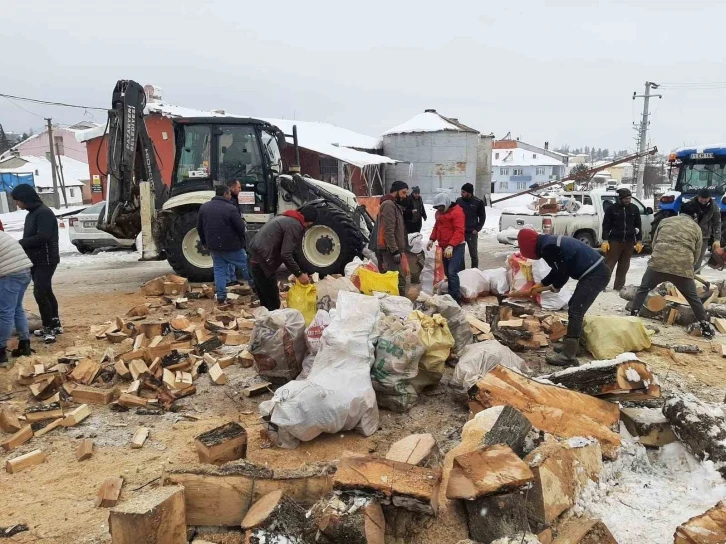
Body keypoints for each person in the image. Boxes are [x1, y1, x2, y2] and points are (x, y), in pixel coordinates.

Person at [517, 228, 611, 367]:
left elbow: (561, 272)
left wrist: (555, 286)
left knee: (576, 311)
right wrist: (541, 284)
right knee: (574, 306)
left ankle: (568, 355)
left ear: (528, 247)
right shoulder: (548, 243)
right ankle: (573, 346)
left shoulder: (548, 247)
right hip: (594, 272)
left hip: (596, 274)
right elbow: (558, 269)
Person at [630, 211, 714, 338]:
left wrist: (660, 256)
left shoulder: (665, 221)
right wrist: (688, 266)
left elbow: (654, 242)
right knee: (693, 299)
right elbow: (697, 253)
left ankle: (633, 316)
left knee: (643, 289)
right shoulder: (696, 227)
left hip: (658, 264)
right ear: (694, 217)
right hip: (682, 268)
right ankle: (705, 327)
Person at [10, 184, 61, 344]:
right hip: (36, 260)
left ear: (25, 199)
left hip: (46, 259)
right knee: (46, 291)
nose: (18, 204)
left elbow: (43, 237)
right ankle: (55, 323)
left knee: (40, 292)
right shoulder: (32, 214)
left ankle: (49, 328)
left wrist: (20, 243)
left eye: (18, 201)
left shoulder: (44, 213)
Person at [247, 207, 316, 311]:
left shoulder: (286, 217)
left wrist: (303, 270)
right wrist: (299, 274)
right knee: (272, 301)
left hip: (256, 256)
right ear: (309, 222)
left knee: (265, 297)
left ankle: (267, 322)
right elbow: (286, 255)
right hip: (263, 260)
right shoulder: (295, 225)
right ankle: (273, 323)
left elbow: (293, 251)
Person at [197, 185, 250, 305]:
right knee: (246, 266)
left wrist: (204, 242)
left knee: (219, 271)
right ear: (226, 194)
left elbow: (199, 227)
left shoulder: (204, 208)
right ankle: (257, 288)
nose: (230, 197)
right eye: (229, 195)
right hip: (233, 246)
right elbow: (241, 228)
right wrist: (243, 241)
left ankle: (221, 297)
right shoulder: (230, 208)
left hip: (214, 247)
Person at [0, 231, 33, 365]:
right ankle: (24, 344)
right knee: (17, 307)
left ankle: (0, 351)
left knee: (5, 312)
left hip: (10, 273)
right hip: (24, 270)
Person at [601, 188, 643, 291]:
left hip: (629, 241)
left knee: (624, 266)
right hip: (615, 240)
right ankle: (601, 285)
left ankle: (618, 287)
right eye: (626, 199)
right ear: (620, 198)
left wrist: (639, 241)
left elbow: (638, 225)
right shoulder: (612, 209)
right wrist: (605, 240)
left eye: (629, 198)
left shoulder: (634, 209)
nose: (628, 200)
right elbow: (606, 225)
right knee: (609, 264)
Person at [427, 193, 466, 303]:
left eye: (441, 206)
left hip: (457, 246)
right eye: (437, 207)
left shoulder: (457, 212)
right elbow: (437, 227)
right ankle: (451, 292)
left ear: (447, 203)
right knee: (448, 273)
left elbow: (459, 230)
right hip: (444, 246)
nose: (439, 209)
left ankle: (456, 297)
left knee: (452, 271)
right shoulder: (438, 214)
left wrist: (451, 245)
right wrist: (432, 239)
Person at [374, 180, 409, 297]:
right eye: (403, 193)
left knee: (396, 280)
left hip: (391, 249)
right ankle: (399, 309)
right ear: (396, 191)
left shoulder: (393, 205)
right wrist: (394, 251)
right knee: (396, 281)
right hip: (389, 250)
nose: (405, 196)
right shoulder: (389, 205)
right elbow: (389, 231)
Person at [681, 189, 721, 269]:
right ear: (698, 197)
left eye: (705, 198)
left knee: (697, 261)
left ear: (709, 198)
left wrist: (717, 239)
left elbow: (717, 223)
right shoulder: (690, 204)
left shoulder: (714, 207)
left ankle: (695, 276)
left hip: (704, 237)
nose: (703, 200)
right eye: (701, 198)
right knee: (686, 258)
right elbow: (682, 220)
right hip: (689, 235)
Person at [224, 179, 253, 288]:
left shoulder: (233, 200)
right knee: (242, 260)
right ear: (232, 188)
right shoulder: (230, 202)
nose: (241, 190)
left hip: (231, 235)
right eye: (239, 187)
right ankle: (252, 283)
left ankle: (231, 279)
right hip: (231, 235)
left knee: (229, 259)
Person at [456, 183, 486, 269]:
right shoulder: (459, 201)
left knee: (473, 254)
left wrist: (477, 229)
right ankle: (462, 272)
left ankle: (474, 271)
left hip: (472, 232)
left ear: (469, 193)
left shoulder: (478, 202)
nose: (461, 193)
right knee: (460, 254)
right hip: (460, 231)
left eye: (463, 192)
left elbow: (482, 217)